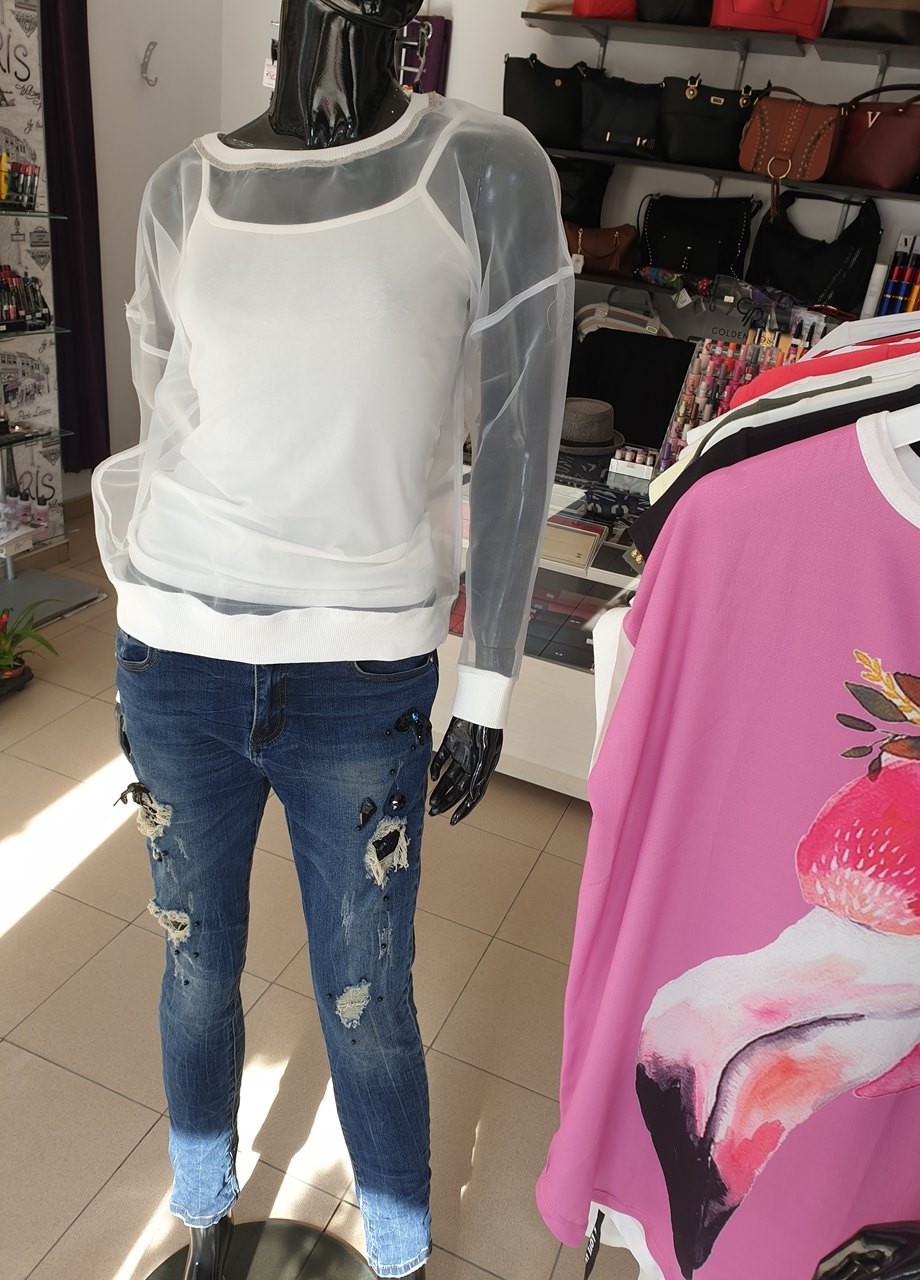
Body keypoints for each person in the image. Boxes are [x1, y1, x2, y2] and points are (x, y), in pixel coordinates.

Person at [93, 2, 574, 1276]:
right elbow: (168, 415)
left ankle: (401, 1250)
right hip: (173, 650)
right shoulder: (182, 187)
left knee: (366, 997)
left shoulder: (483, 166)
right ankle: (202, 1212)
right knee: (194, 968)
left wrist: (488, 682)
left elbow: (518, 433)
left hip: (359, 674)